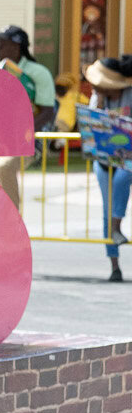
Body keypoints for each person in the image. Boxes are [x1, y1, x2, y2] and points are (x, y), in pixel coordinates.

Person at [0, 25, 57, 210]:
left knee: (4, 167)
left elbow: (47, 111)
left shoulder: (38, 73)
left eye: (1, 44)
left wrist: (21, 133)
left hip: (30, 138)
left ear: (16, 47)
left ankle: (12, 221)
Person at [85, 56, 132, 282]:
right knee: (107, 207)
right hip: (103, 158)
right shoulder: (97, 97)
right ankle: (114, 264)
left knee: (122, 179)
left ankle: (116, 226)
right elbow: (89, 124)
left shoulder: (129, 95)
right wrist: (99, 106)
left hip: (128, 157)